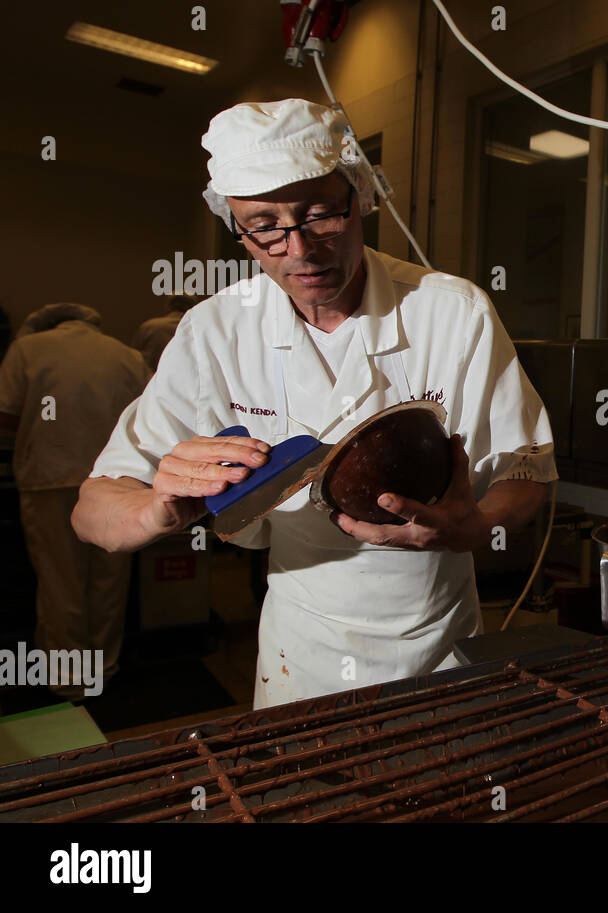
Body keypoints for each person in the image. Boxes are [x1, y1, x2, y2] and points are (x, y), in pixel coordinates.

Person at [72, 99, 557, 710]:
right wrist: (156, 511)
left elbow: (527, 465)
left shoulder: (449, 311)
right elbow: (93, 510)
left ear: (360, 195)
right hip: (298, 643)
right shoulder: (215, 331)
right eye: (265, 226)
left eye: (321, 213)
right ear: (238, 229)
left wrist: (478, 527)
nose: (298, 249)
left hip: (435, 632)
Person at [0, 303, 151, 698]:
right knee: (109, 579)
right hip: (117, 479)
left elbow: (7, 414)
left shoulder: (28, 349)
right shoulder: (125, 355)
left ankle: (68, 677)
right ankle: (103, 665)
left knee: (58, 579)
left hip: (49, 477)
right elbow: (150, 418)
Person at [133, 294, 196, 371]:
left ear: (168, 306)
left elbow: (134, 359)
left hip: (152, 380)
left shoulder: (150, 327)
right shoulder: (198, 329)